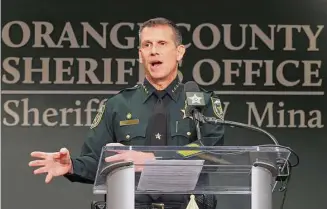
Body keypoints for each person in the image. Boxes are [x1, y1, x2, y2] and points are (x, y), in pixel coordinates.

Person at [29, 17, 225, 209]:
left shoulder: (202, 102)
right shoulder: (117, 105)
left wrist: (154, 159)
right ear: (140, 55)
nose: (154, 51)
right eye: (147, 45)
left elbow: (211, 152)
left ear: (179, 52)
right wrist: (71, 166)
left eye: (162, 43)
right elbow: (96, 160)